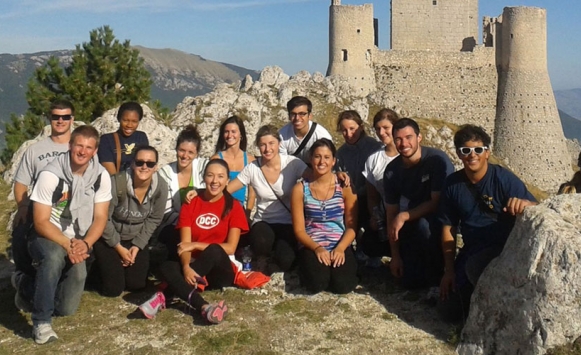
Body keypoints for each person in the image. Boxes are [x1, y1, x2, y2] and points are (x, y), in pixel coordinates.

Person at [11, 125, 111, 344]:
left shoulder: (101, 176)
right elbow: (41, 221)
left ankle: (25, 284)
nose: (83, 151)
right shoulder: (50, 174)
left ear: (95, 151)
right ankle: (41, 323)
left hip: (79, 238)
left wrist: (85, 244)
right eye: (79, 145)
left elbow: (100, 217)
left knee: (66, 308)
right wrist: (68, 245)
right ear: (70, 146)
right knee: (54, 258)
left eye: (89, 147)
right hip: (48, 234)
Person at [438, 125, 537, 320]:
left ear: (487, 153)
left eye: (478, 149)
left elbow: (537, 207)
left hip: (505, 249)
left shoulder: (503, 179)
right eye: (466, 150)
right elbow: (448, 229)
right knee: (448, 311)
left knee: (477, 269)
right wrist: (448, 271)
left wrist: (525, 203)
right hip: (472, 248)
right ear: (459, 154)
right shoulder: (452, 185)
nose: (472, 155)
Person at [138, 159, 249, 324]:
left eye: (220, 176)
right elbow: (184, 245)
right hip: (195, 268)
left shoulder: (234, 206)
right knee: (167, 266)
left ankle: (165, 295)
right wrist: (186, 267)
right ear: (203, 177)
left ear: (227, 181)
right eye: (210, 175)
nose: (215, 181)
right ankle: (204, 307)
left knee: (213, 250)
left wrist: (196, 245)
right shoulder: (191, 203)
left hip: (219, 269)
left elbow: (231, 248)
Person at [383, 118, 454, 290]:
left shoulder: (437, 161)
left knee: (424, 227)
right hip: (409, 222)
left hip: (437, 220)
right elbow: (390, 213)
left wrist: (404, 215)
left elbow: (437, 202)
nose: (404, 143)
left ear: (419, 138)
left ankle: (438, 276)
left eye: (408, 137)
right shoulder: (392, 171)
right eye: (398, 139)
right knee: (410, 282)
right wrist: (395, 255)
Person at [229, 125, 308, 271]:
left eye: (271, 143)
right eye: (263, 145)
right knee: (260, 243)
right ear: (258, 147)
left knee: (287, 260)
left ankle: (275, 257)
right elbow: (228, 189)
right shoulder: (253, 168)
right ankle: (264, 254)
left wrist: (336, 177)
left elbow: (315, 177)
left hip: (288, 221)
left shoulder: (292, 163)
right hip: (263, 220)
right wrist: (201, 193)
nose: (267, 149)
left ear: (279, 144)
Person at [93, 146, 168, 297]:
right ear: (133, 164)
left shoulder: (161, 187)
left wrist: (138, 245)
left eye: (150, 164)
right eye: (140, 162)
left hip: (135, 237)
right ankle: (94, 269)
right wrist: (118, 247)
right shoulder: (116, 183)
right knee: (113, 290)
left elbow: (154, 218)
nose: (144, 167)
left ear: (156, 167)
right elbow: (103, 218)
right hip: (108, 237)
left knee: (136, 284)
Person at [11, 99, 75, 276]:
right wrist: (23, 207)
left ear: (72, 119)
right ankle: (25, 274)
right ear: (50, 119)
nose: (60, 121)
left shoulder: (80, 148)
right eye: (56, 117)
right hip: (41, 204)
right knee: (19, 233)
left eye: (65, 117)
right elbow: (21, 182)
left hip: (72, 204)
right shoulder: (35, 150)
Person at [291, 139, 358, 294]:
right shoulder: (300, 189)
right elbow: (299, 230)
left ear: (334, 161)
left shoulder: (344, 187)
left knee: (343, 285)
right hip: (312, 243)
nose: (322, 162)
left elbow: (352, 226)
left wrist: (341, 248)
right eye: (317, 156)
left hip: (339, 241)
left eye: (327, 157)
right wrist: (317, 248)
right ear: (310, 158)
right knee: (316, 284)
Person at [156, 125, 208, 259]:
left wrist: (200, 191)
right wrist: (187, 225)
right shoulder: (165, 173)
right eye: (182, 150)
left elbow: (216, 190)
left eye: (190, 152)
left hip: (203, 222)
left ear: (197, 154)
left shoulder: (204, 167)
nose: (185, 155)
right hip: (174, 224)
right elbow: (165, 212)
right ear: (176, 149)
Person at [359, 108, 400, 261]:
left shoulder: (407, 154)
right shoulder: (373, 159)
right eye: (377, 129)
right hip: (385, 215)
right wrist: (375, 217)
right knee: (369, 243)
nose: (381, 132)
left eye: (386, 128)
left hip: (408, 214)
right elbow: (372, 196)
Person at [211, 116, 256, 213]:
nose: (229, 135)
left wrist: (247, 213)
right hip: (219, 208)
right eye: (226, 132)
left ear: (241, 135)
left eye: (233, 131)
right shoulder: (216, 159)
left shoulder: (250, 160)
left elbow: (252, 192)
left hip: (239, 210)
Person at [98, 102, 149, 175]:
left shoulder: (141, 137)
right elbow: (111, 174)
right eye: (125, 120)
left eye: (134, 121)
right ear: (119, 119)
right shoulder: (107, 140)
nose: (129, 125)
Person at [279, 96, 333, 164]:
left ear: (310, 115)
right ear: (289, 116)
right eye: (293, 114)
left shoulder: (322, 136)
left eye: (302, 114)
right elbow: (282, 163)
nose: (297, 118)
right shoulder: (282, 136)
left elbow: (327, 162)